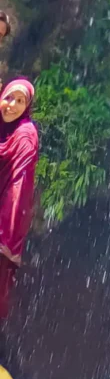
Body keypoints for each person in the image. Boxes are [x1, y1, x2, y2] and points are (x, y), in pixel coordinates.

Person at [0, 82, 37, 326]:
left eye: (20, 101)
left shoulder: (25, 135)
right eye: (9, 98)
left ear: (27, 108)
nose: (11, 105)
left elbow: (18, 188)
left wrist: (5, 235)